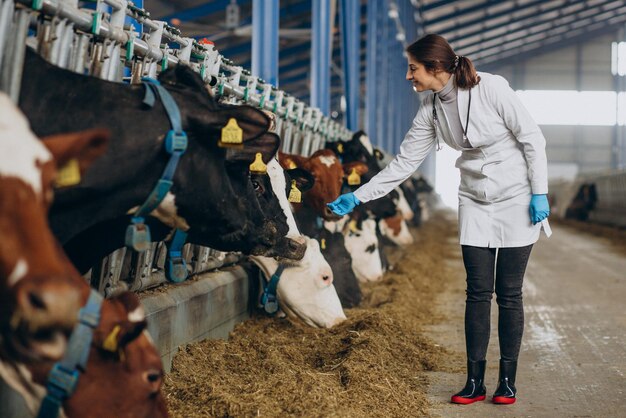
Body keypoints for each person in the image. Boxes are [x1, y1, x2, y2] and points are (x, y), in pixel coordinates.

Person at [327, 34, 550, 405]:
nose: (408, 76)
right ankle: (474, 381)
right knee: (477, 291)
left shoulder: (491, 88)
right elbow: (402, 164)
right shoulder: (430, 108)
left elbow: (532, 138)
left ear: (435, 67)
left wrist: (538, 190)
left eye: (413, 68)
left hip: (516, 197)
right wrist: (358, 194)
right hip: (475, 200)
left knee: (509, 294)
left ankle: (507, 381)